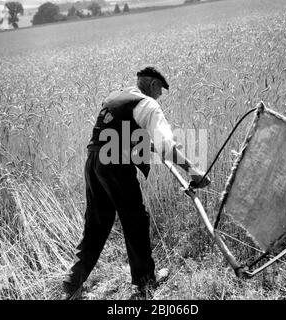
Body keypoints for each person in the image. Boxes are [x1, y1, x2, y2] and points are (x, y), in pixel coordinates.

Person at [62, 66, 210, 300]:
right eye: (160, 88)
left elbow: (117, 133)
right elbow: (166, 145)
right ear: (152, 84)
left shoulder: (114, 96)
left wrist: (144, 145)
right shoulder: (148, 105)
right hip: (115, 165)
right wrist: (192, 170)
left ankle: (72, 283)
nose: (160, 94)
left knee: (96, 223)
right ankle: (144, 284)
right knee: (136, 221)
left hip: (93, 162)